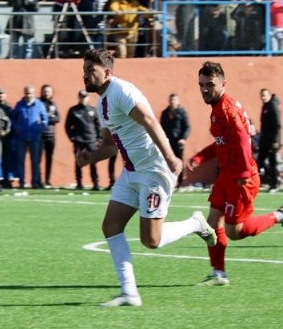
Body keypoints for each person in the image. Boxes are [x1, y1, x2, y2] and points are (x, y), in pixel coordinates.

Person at [75, 49, 216, 307]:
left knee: (151, 240)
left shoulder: (122, 92)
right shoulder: (101, 103)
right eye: (84, 70)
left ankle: (196, 224)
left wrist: (172, 157)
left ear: (106, 72)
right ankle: (129, 292)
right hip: (131, 172)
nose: (85, 76)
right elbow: (109, 146)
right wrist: (89, 158)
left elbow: (150, 121)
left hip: (153, 171)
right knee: (110, 227)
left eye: (90, 71)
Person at [187, 62, 283, 286]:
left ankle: (280, 215)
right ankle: (218, 274)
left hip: (242, 177)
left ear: (223, 84)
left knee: (235, 231)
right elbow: (224, 143)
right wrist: (200, 156)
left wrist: (243, 172)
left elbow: (241, 139)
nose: (204, 90)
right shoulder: (218, 108)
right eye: (201, 85)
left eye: (210, 85)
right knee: (212, 223)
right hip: (227, 175)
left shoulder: (227, 110)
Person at [11, 85, 47, 189]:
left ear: (34, 93)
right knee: (20, 161)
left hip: (35, 138)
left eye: (30, 93)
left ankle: (34, 182)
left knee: (35, 161)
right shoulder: (19, 104)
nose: (28, 95)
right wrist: (16, 128)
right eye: (26, 93)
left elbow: (45, 119)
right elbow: (13, 118)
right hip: (21, 138)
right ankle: (22, 182)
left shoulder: (39, 105)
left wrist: (40, 127)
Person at [65, 89, 100, 191]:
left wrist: (99, 138)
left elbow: (98, 125)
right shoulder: (73, 110)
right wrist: (72, 137)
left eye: (85, 97)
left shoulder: (93, 110)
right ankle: (79, 183)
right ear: (79, 97)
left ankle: (95, 184)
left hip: (91, 140)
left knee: (93, 162)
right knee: (78, 162)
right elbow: (67, 126)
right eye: (81, 97)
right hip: (78, 140)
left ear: (88, 98)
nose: (83, 99)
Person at [160, 93, 190, 189]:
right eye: (171, 100)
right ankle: (168, 181)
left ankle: (180, 182)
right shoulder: (165, 113)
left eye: (174, 100)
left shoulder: (182, 112)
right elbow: (161, 127)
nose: (172, 102)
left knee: (179, 161)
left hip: (178, 142)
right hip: (167, 142)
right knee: (166, 160)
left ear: (178, 101)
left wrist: (183, 138)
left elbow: (187, 127)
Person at [257, 88, 283, 192]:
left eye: (265, 95)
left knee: (273, 162)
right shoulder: (265, 106)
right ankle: (272, 179)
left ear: (269, 95)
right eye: (262, 96)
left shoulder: (273, 106)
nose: (263, 98)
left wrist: (276, 141)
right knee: (260, 161)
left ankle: (275, 185)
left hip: (272, 141)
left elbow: (277, 125)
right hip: (264, 140)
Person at [39, 84, 60, 188]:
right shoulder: (38, 103)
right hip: (40, 135)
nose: (46, 93)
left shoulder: (53, 104)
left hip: (51, 136)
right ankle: (38, 180)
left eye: (48, 91)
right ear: (42, 92)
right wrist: (49, 117)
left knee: (49, 159)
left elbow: (58, 118)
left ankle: (47, 180)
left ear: (51, 93)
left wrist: (46, 119)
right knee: (37, 159)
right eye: (45, 91)